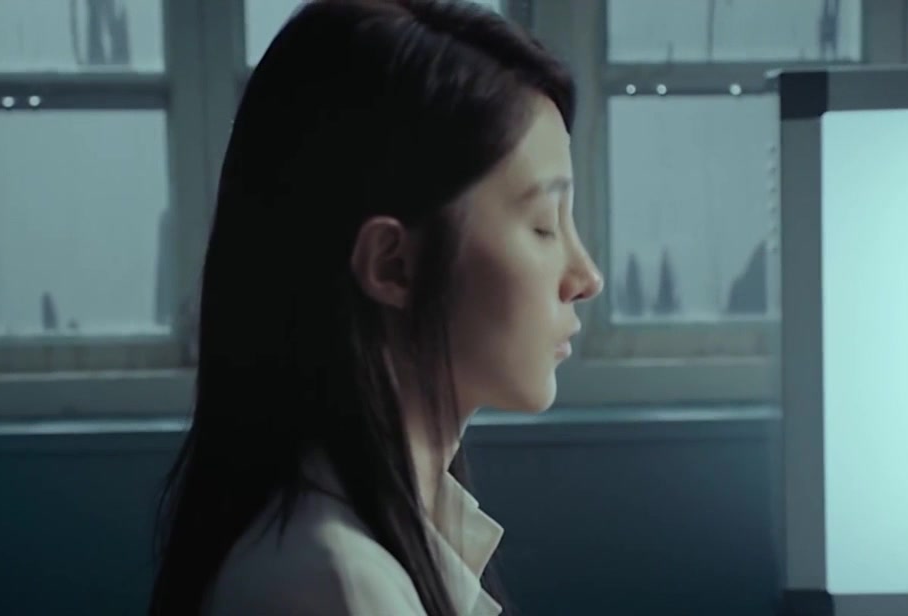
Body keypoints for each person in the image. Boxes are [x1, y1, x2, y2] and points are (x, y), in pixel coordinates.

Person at [148, 0, 603, 614]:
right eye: (545, 223)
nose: (586, 277)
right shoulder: (332, 585)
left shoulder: (375, 539)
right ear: (393, 265)